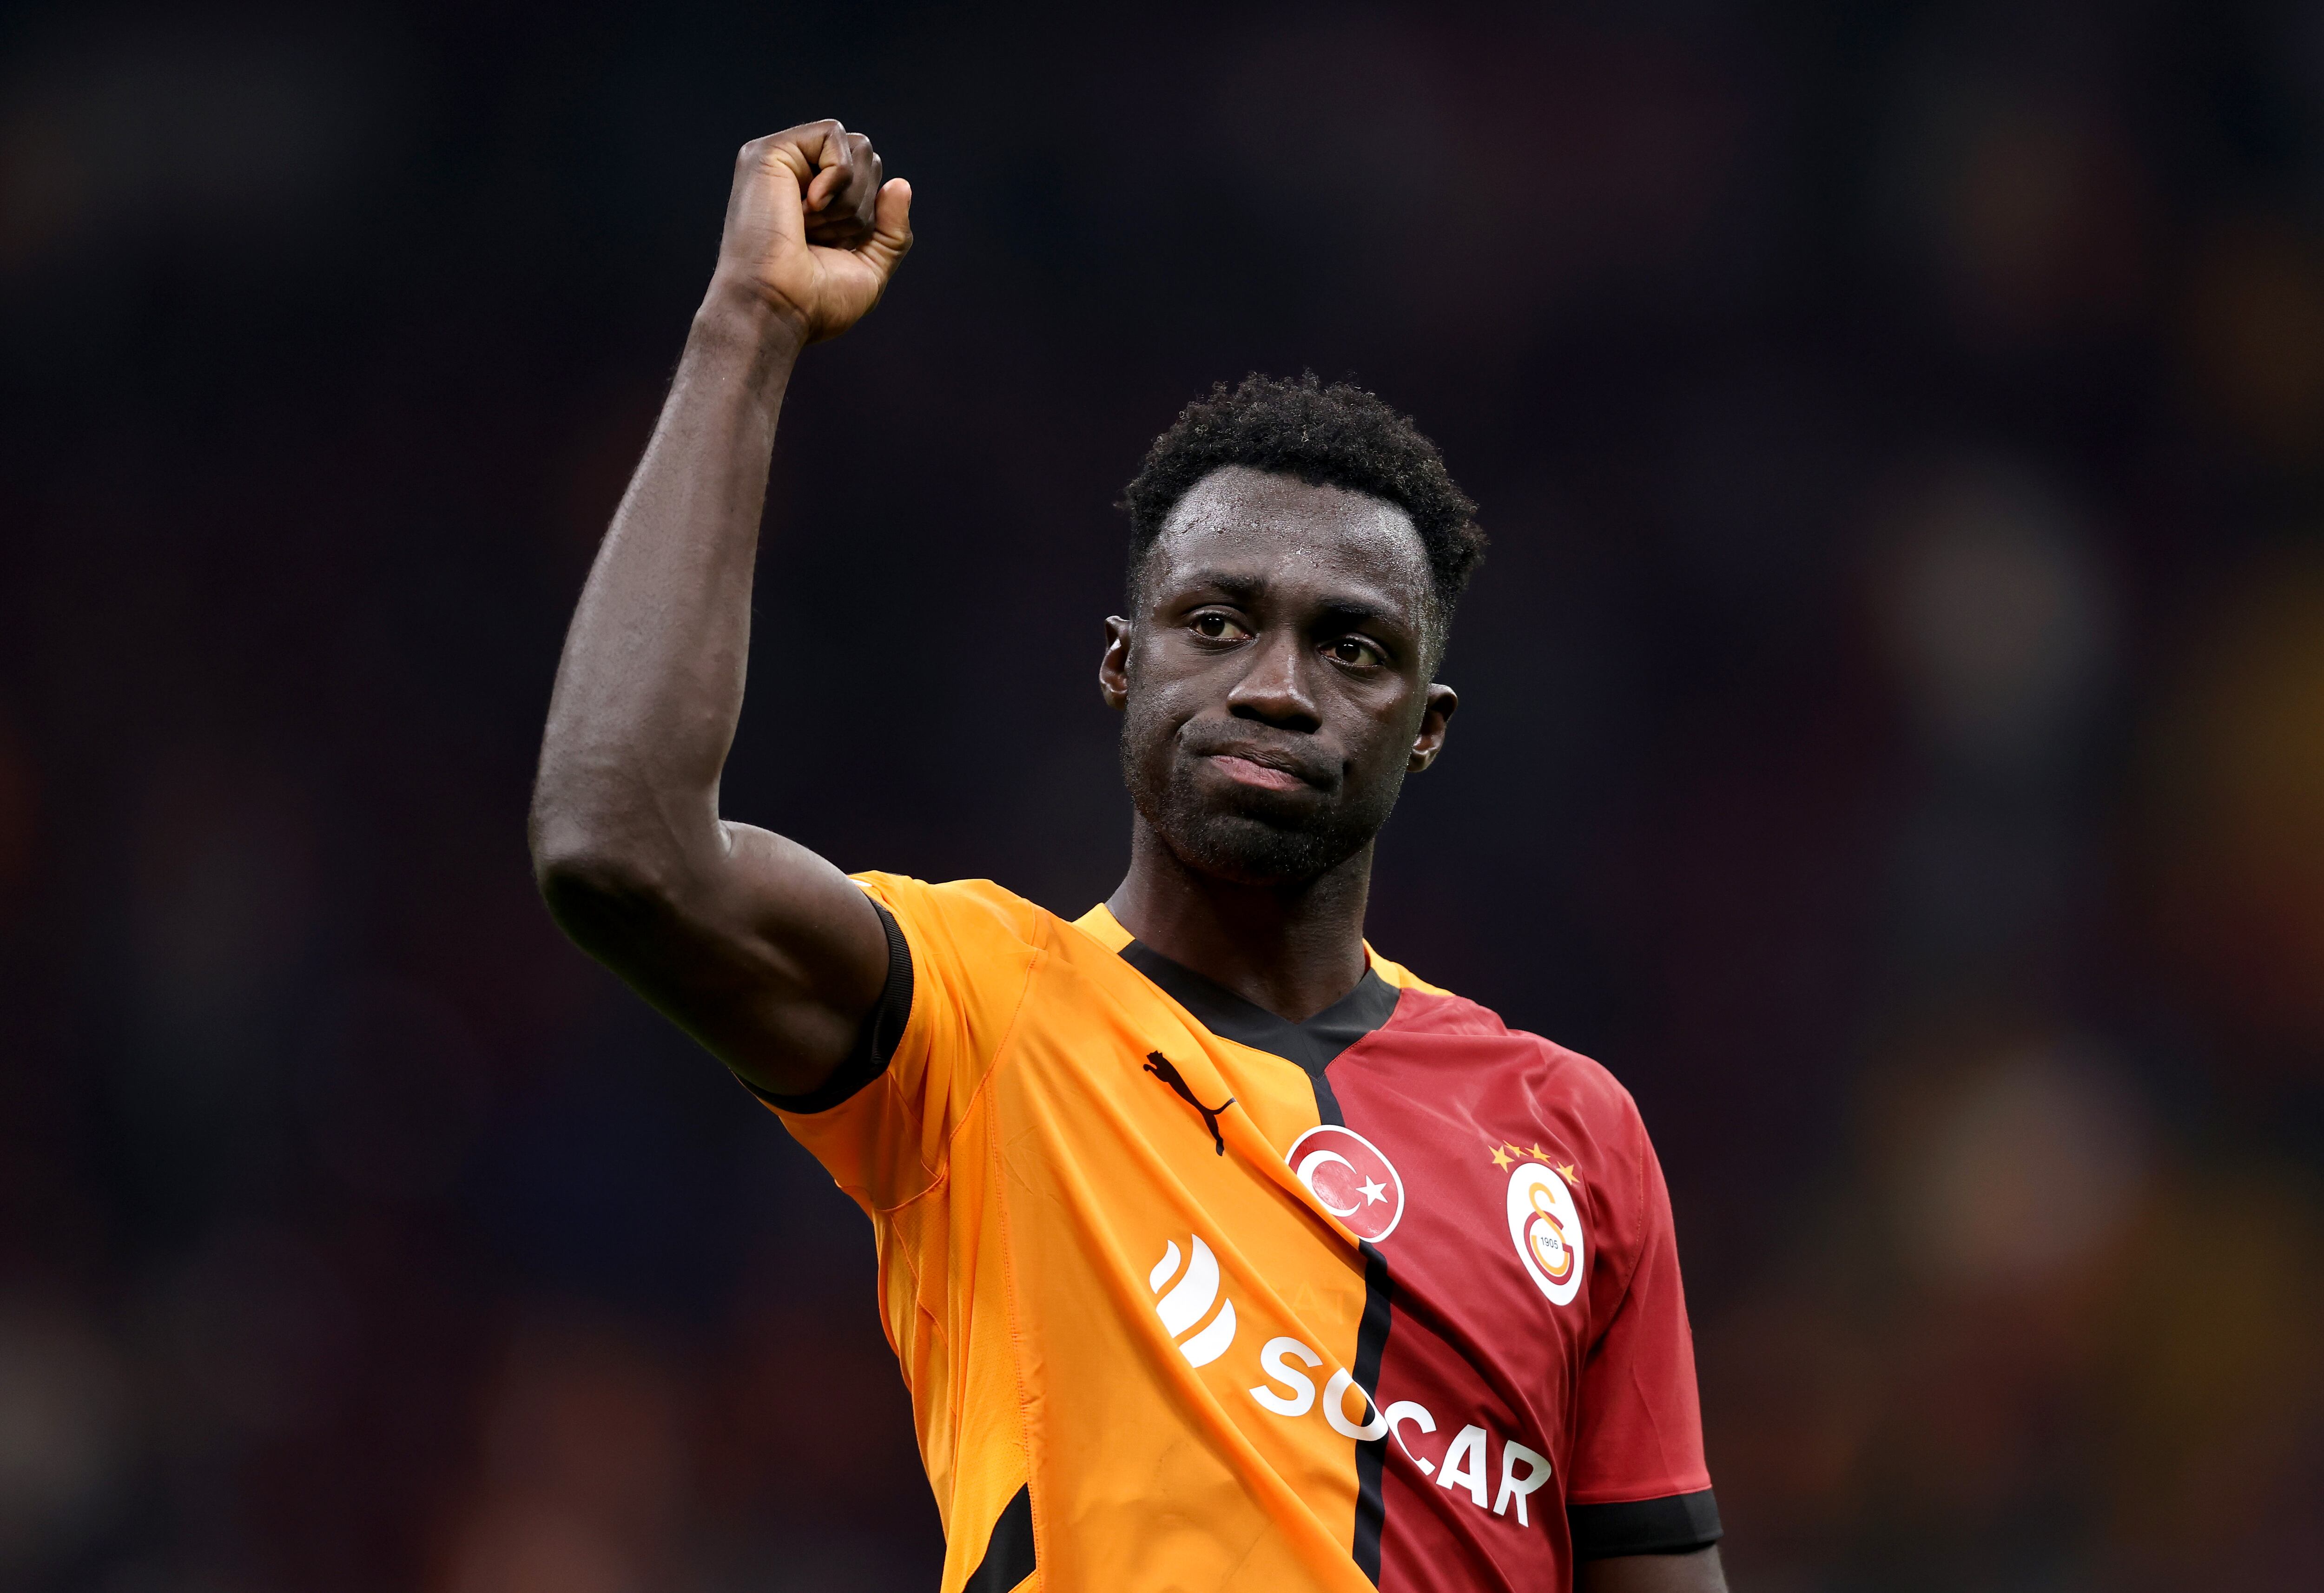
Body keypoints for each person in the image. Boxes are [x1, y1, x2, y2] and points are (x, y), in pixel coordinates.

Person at [529, 119, 1726, 1593]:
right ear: (1120, 665)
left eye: (1352, 648)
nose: (1276, 686)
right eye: (1216, 623)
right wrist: (749, 323)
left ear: (1427, 729)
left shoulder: (1572, 1134)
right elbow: (621, 848)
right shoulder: (981, 1014)